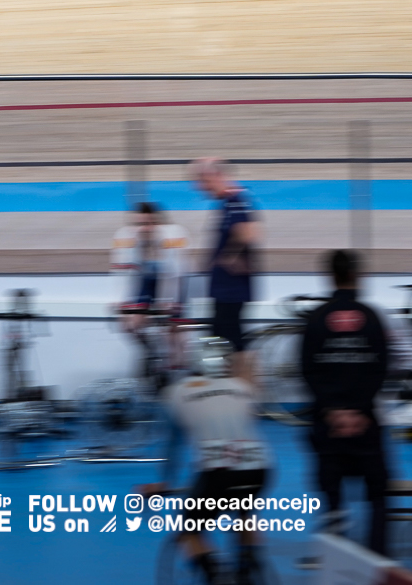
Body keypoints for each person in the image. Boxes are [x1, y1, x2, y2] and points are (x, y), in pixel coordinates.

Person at [143, 336, 272, 585]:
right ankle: (248, 567)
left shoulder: (177, 392)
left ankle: (215, 574)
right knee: (244, 511)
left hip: (217, 471)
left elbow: (174, 447)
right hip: (259, 468)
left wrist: (163, 483)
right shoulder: (243, 387)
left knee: (188, 531)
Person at [299, 248, 390, 557]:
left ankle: (335, 561)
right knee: (378, 497)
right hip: (366, 424)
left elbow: (307, 369)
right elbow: (382, 367)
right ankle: (379, 562)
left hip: (328, 427)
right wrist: (360, 411)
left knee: (332, 498)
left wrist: (333, 412)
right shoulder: (374, 318)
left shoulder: (316, 319)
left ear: (330, 276)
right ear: (357, 276)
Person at [191, 158, 261, 380]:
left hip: (231, 289)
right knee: (219, 339)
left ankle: (245, 391)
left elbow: (249, 233)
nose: (200, 187)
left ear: (215, 176)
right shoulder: (228, 203)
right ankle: (229, 389)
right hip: (224, 288)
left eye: (202, 181)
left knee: (232, 341)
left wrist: (229, 256)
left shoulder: (236, 201)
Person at [111, 202, 189, 377]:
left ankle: (178, 362)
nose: (145, 228)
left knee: (173, 330)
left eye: (150, 223)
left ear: (158, 223)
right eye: (139, 224)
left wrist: (169, 303)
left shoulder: (174, 234)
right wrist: (121, 301)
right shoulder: (125, 236)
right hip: (144, 278)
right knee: (129, 325)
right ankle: (151, 352)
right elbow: (121, 273)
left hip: (173, 277)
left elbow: (175, 275)